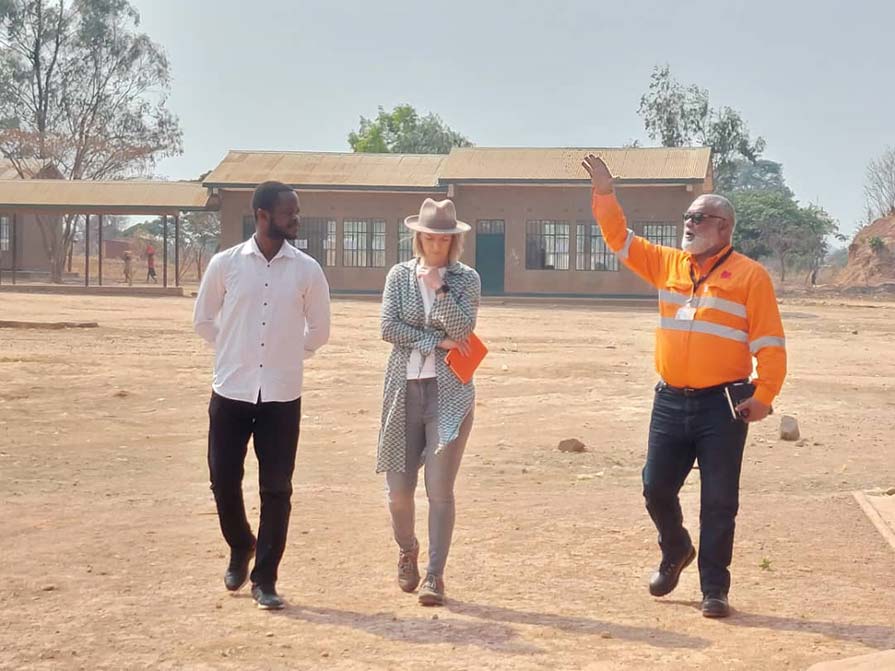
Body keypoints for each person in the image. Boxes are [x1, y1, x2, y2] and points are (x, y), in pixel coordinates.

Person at [582, 154, 787, 618]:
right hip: (671, 401)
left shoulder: (751, 277)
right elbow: (619, 238)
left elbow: (771, 343)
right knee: (656, 487)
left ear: (725, 230)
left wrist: (765, 393)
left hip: (723, 406)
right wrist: (605, 193)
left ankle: (715, 589)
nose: (690, 224)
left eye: (701, 218)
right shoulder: (667, 264)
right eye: (688, 217)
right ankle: (675, 549)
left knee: (719, 501)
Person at [193, 181, 330, 610]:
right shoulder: (226, 264)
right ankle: (240, 544)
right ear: (262, 215)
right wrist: (237, 351)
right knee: (222, 479)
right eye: (288, 211)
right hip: (231, 391)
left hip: (282, 397)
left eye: (296, 210)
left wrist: (289, 354)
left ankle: (265, 578)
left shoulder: (308, 270)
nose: (296, 217)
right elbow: (203, 320)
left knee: (277, 489)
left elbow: (319, 331)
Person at [378, 198, 481, 606]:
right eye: (430, 236)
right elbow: (388, 327)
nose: (437, 244)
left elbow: (465, 330)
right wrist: (434, 340)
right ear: (418, 236)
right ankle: (407, 550)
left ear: (454, 241)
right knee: (398, 492)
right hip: (402, 391)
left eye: (444, 237)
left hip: (450, 393)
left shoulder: (466, 279)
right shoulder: (399, 276)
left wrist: (439, 291)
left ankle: (435, 577)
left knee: (439, 489)